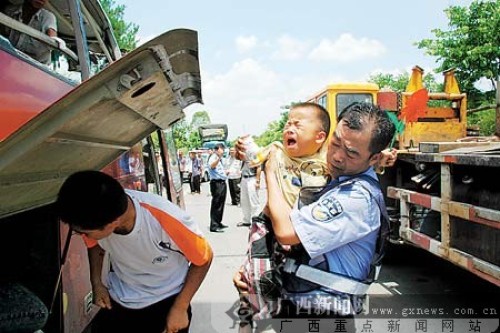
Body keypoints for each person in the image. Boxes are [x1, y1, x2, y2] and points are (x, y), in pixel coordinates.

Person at [264, 102, 395, 330]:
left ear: (373, 158)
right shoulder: (340, 180)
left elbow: (286, 233)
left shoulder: (355, 197)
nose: (336, 156)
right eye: (335, 143)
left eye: (351, 153)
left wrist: (271, 173)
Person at [56, 170, 213, 333]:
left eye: (85, 232)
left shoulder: (165, 218)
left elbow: (204, 259)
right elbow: (94, 245)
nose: (82, 236)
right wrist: (96, 283)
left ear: (114, 223)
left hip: (166, 301)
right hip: (120, 298)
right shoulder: (98, 213)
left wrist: (180, 308)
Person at [233, 102, 331, 332]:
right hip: (267, 227)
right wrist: (242, 148)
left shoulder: (328, 160)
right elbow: (251, 155)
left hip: (299, 229)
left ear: (319, 137)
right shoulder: (276, 150)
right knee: (256, 276)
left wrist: (382, 156)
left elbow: (359, 159)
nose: (289, 128)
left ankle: (267, 313)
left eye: (298, 124)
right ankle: (250, 319)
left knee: (286, 278)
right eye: (288, 123)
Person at [2, 0, 57, 65]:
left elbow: (53, 39)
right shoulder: (10, 11)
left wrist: (53, 40)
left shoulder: (48, 17)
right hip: (9, 60)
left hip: (36, 68)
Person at [208, 143, 229, 232]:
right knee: (216, 204)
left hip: (222, 182)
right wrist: (218, 159)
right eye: (222, 149)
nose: (223, 151)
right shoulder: (213, 157)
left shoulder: (218, 158)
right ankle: (214, 225)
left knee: (221, 204)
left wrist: (225, 173)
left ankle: (218, 222)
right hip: (217, 184)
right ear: (218, 149)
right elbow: (212, 166)